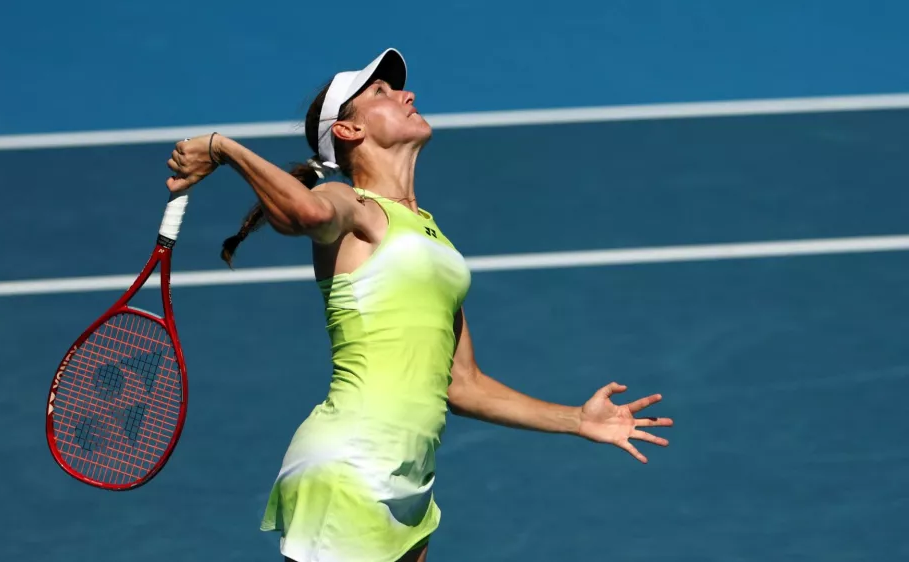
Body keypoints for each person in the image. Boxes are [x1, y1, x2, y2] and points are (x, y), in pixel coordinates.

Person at [165, 48, 673, 562]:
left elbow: (463, 384)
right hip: (350, 466)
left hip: (409, 482)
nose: (406, 94)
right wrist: (222, 147)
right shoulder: (352, 205)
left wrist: (576, 420)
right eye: (381, 94)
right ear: (348, 132)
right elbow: (305, 212)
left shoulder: (434, 239)